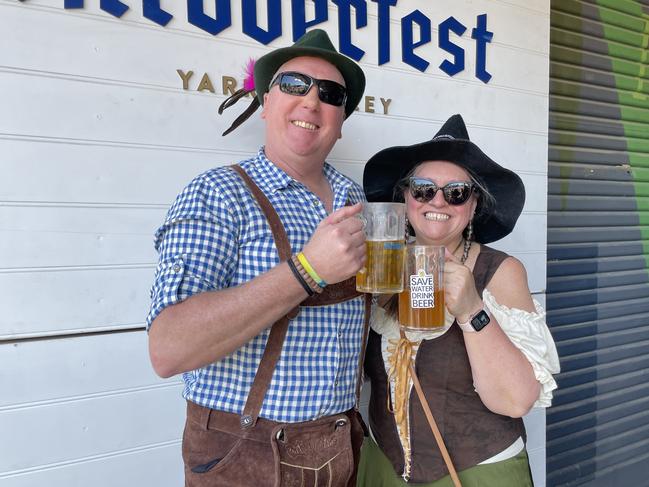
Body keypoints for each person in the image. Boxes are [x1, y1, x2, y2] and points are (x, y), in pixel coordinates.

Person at [146, 29, 369, 487]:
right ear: (265, 103)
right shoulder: (218, 194)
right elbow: (168, 349)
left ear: (341, 119)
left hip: (342, 446)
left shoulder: (354, 198)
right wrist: (307, 270)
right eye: (293, 85)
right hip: (244, 455)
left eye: (330, 94)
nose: (311, 101)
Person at [357, 114, 560, 486]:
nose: (438, 201)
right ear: (404, 197)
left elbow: (517, 401)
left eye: (456, 192)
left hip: (476, 473)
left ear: (473, 206)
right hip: (382, 467)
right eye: (422, 189)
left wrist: (471, 310)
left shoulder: (499, 271)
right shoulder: (381, 265)